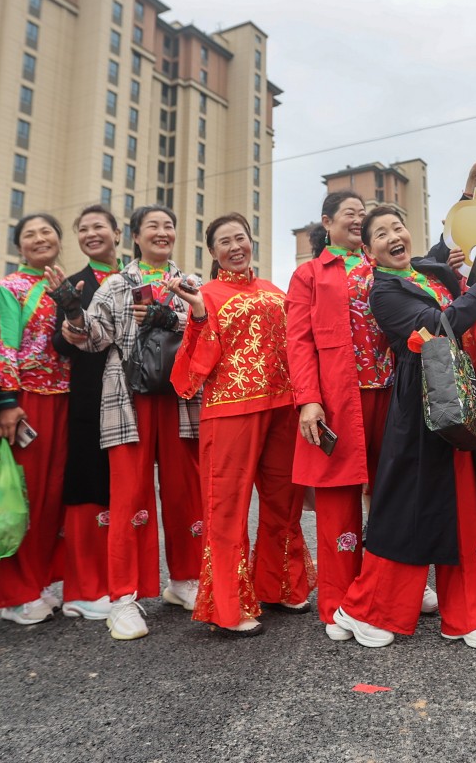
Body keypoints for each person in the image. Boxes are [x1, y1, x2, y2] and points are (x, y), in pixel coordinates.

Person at [332, 206, 476, 649]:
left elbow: (452, 243)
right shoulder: (383, 293)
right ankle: (365, 608)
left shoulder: (429, 270)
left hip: (456, 394)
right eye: (381, 234)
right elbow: (436, 327)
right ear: (368, 251)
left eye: (398, 227)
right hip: (418, 405)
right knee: (407, 509)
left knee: (464, 503)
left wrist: (469, 196)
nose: (394, 236)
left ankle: (466, 616)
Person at [62, 204, 202, 641]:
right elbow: (95, 338)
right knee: (128, 494)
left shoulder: (189, 283)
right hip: (128, 398)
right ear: (136, 237)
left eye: (168, 226)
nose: (162, 233)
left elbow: (208, 329)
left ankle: (185, 580)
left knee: (185, 492)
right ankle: (123, 596)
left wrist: (173, 316)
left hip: (179, 398)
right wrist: (73, 315)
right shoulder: (115, 284)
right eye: (152, 227)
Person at [168, 213, 311, 637]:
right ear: (212, 253)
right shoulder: (205, 295)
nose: (235, 246)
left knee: (284, 501)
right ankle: (229, 606)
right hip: (231, 411)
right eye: (225, 241)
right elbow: (187, 374)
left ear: (252, 242)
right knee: (226, 508)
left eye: (241, 238)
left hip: (283, 406)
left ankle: (280, 584)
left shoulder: (274, 291)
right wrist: (197, 317)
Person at [287, 190, 407, 641]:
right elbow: (298, 341)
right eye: (350, 214)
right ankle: (337, 600)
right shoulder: (310, 274)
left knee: (391, 492)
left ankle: (388, 587)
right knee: (338, 499)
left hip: (392, 391)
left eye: (364, 214)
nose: (359, 220)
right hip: (339, 397)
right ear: (327, 221)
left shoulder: (383, 264)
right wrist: (308, 399)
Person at [0, 213, 70, 625]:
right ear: (19, 245)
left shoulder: (64, 286)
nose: (40, 239)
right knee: (22, 497)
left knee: (51, 498)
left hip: (64, 400)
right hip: (27, 401)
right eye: (30, 235)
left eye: (47, 232)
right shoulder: (10, 288)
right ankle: (13, 594)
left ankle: (37, 583)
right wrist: (6, 400)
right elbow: (5, 343)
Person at [48, 205, 121, 625]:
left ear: (115, 232)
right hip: (90, 397)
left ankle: (114, 581)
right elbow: (61, 343)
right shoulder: (76, 282)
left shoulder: (131, 276)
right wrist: (72, 314)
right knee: (88, 488)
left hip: (129, 399)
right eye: (84, 229)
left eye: (99, 227)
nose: (92, 234)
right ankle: (82, 589)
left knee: (120, 490)